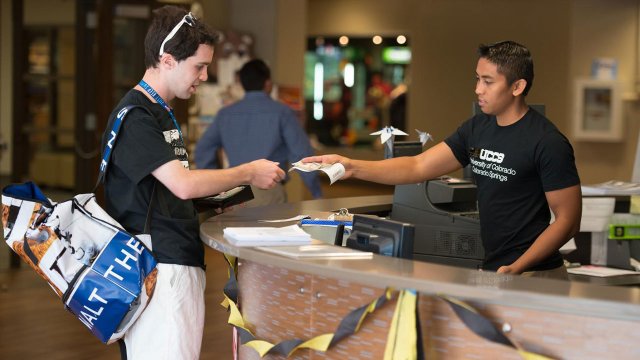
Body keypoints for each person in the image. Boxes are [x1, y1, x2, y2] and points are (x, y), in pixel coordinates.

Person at [303, 41, 581, 279]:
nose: (478, 90)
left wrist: (518, 267)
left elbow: (567, 221)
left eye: (488, 82)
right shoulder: (477, 128)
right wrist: (351, 166)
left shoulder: (547, 142)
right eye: (477, 79)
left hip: (536, 273)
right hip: (498, 270)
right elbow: (418, 166)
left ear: (517, 86)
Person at [101, 6, 284, 360]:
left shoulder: (159, 111)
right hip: (160, 265)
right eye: (198, 66)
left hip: (171, 258)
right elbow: (182, 184)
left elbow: (167, 190)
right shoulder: (137, 115)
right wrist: (247, 172)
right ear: (167, 60)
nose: (203, 76)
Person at [194, 59, 322, 206]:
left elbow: (202, 149)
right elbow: (301, 153)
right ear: (268, 84)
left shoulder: (225, 114)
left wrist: (216, 185)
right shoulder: (281, 112)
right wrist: (316, 192)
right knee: (270, 229)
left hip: (235, 192)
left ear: (242, 84)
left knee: (234, 230)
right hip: (268, 191)